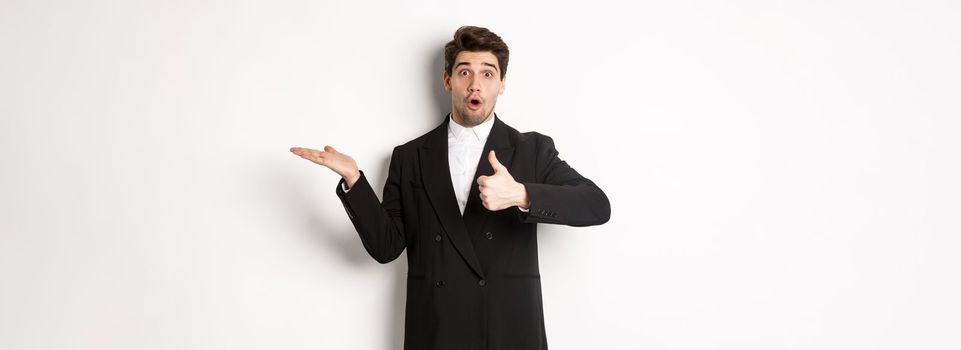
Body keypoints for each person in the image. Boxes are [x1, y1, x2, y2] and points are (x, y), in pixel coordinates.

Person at [290, 25, 610, 350]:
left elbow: (597, 205)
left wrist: (521, 194)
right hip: (437, 331)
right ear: (448, 81)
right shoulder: (409, 157)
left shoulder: (532, 150)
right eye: (464, 72)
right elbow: (386, 247)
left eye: (487, 74)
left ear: (502, 84)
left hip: (509, 331)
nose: (475, 84)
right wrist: (354, 181)